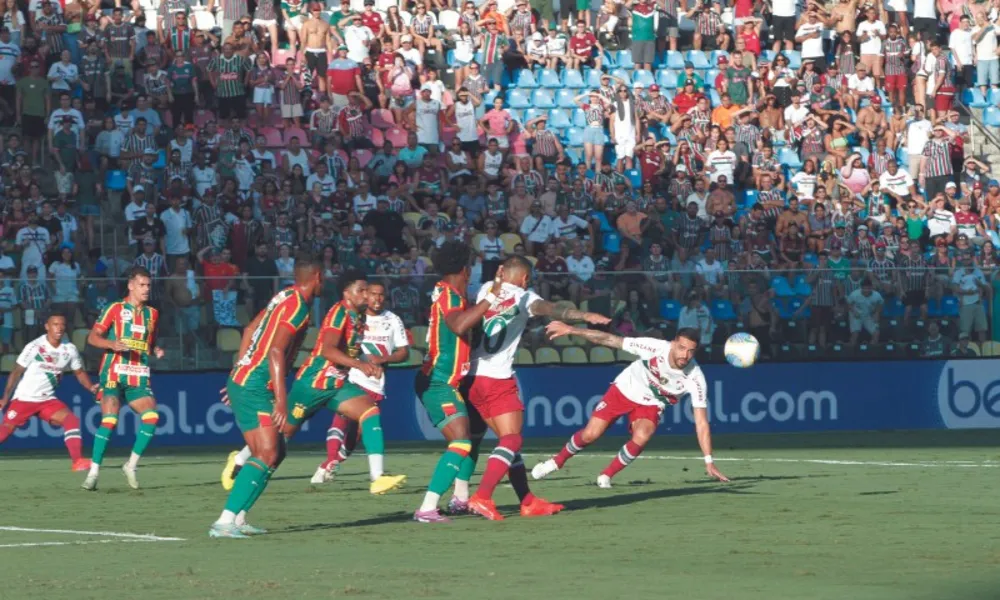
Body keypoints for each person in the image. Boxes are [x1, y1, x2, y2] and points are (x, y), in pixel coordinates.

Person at [450, 255, 610, 520]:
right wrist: (584, 315)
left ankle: (526, 501)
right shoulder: (525, 297)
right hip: (497, 379)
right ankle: (483, 496)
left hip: (472, 376)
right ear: (525, 278)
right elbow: (551, 309)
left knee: (507, 444)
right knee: (512, 439)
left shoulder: (487, 289)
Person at [221, 270, 407, 497]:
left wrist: (367, 362)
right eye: (362, 290)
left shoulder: (358, 317)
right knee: (280, 437)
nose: (367, 295)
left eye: (367, 291)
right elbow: (327, 350)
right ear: (346, 293)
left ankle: (377, 478)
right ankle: (239, 460)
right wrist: (360, 366)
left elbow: (346, 351)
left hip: (337, 384)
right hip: (313, 383)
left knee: (369, 411)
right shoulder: (340, 312)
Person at [532, 325, 729, 488]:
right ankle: (556, 462)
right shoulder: (654, 348)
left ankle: (606, 475)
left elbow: (701, 422)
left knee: (643, 434)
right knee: (591, 434)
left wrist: (708, 460)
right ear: (673, 343)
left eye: (690, 351)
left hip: (651, 403)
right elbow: (610, 340)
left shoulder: (695, 377)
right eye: (681, 348)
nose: (684, 355)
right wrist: (572, 330)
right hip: (624, 389)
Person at [210, 258, 322, 539]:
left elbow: (249, 330)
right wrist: (281, 401)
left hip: (248, 379)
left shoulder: (283, 295)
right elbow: (275, 352)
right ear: (317, 276)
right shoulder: (298, 306)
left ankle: (238, 517)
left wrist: (240, 369)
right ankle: (224, 521)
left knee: (276, 452)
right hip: (256, 384)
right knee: (268, 451)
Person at [412, 240, 503, 523]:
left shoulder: (452, 294)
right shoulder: (450, 295)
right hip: (438, 381)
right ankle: (427, 507)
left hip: (450, 381)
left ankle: (461, 498)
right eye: (472, 266)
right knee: (461, 441)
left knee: (473, 437)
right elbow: (459, 325)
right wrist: (492, 298)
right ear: (465, 268)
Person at [310, 281, 410, 483]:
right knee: (341, 419)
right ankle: (334, 462)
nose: (377, 298)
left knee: (354, 438)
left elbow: (404, 352)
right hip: (352, 378)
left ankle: (327, 466)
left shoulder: (393, 320)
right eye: (373, 294)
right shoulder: (355, 316)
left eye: (381, 295)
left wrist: (383, 359)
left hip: (376, 383)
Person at [82, 267, 165, 491]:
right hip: (113, 372)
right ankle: (94, 472)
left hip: (138, 373)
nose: (146, 289)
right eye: (142, 285)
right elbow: (92, 337)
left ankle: (131, 465)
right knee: (110, 420)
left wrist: (155, 348)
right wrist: (111, 344)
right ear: (131, 285)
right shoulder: (114, 309)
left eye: (148, 285)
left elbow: (150, 339)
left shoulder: (152, 314)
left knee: (151, 417)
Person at [0, 312, 99, 471]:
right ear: (47, 326)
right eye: (55, 324)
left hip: (47, 401)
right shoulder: (34, 347)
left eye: (62, 325)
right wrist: (5, 397)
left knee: (71, 420)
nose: (59, 328)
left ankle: (77, 461)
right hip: (25, 398)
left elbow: (79, 372)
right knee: (6, 429)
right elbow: (16, 371)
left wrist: (91, 387)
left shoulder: (69, 349)